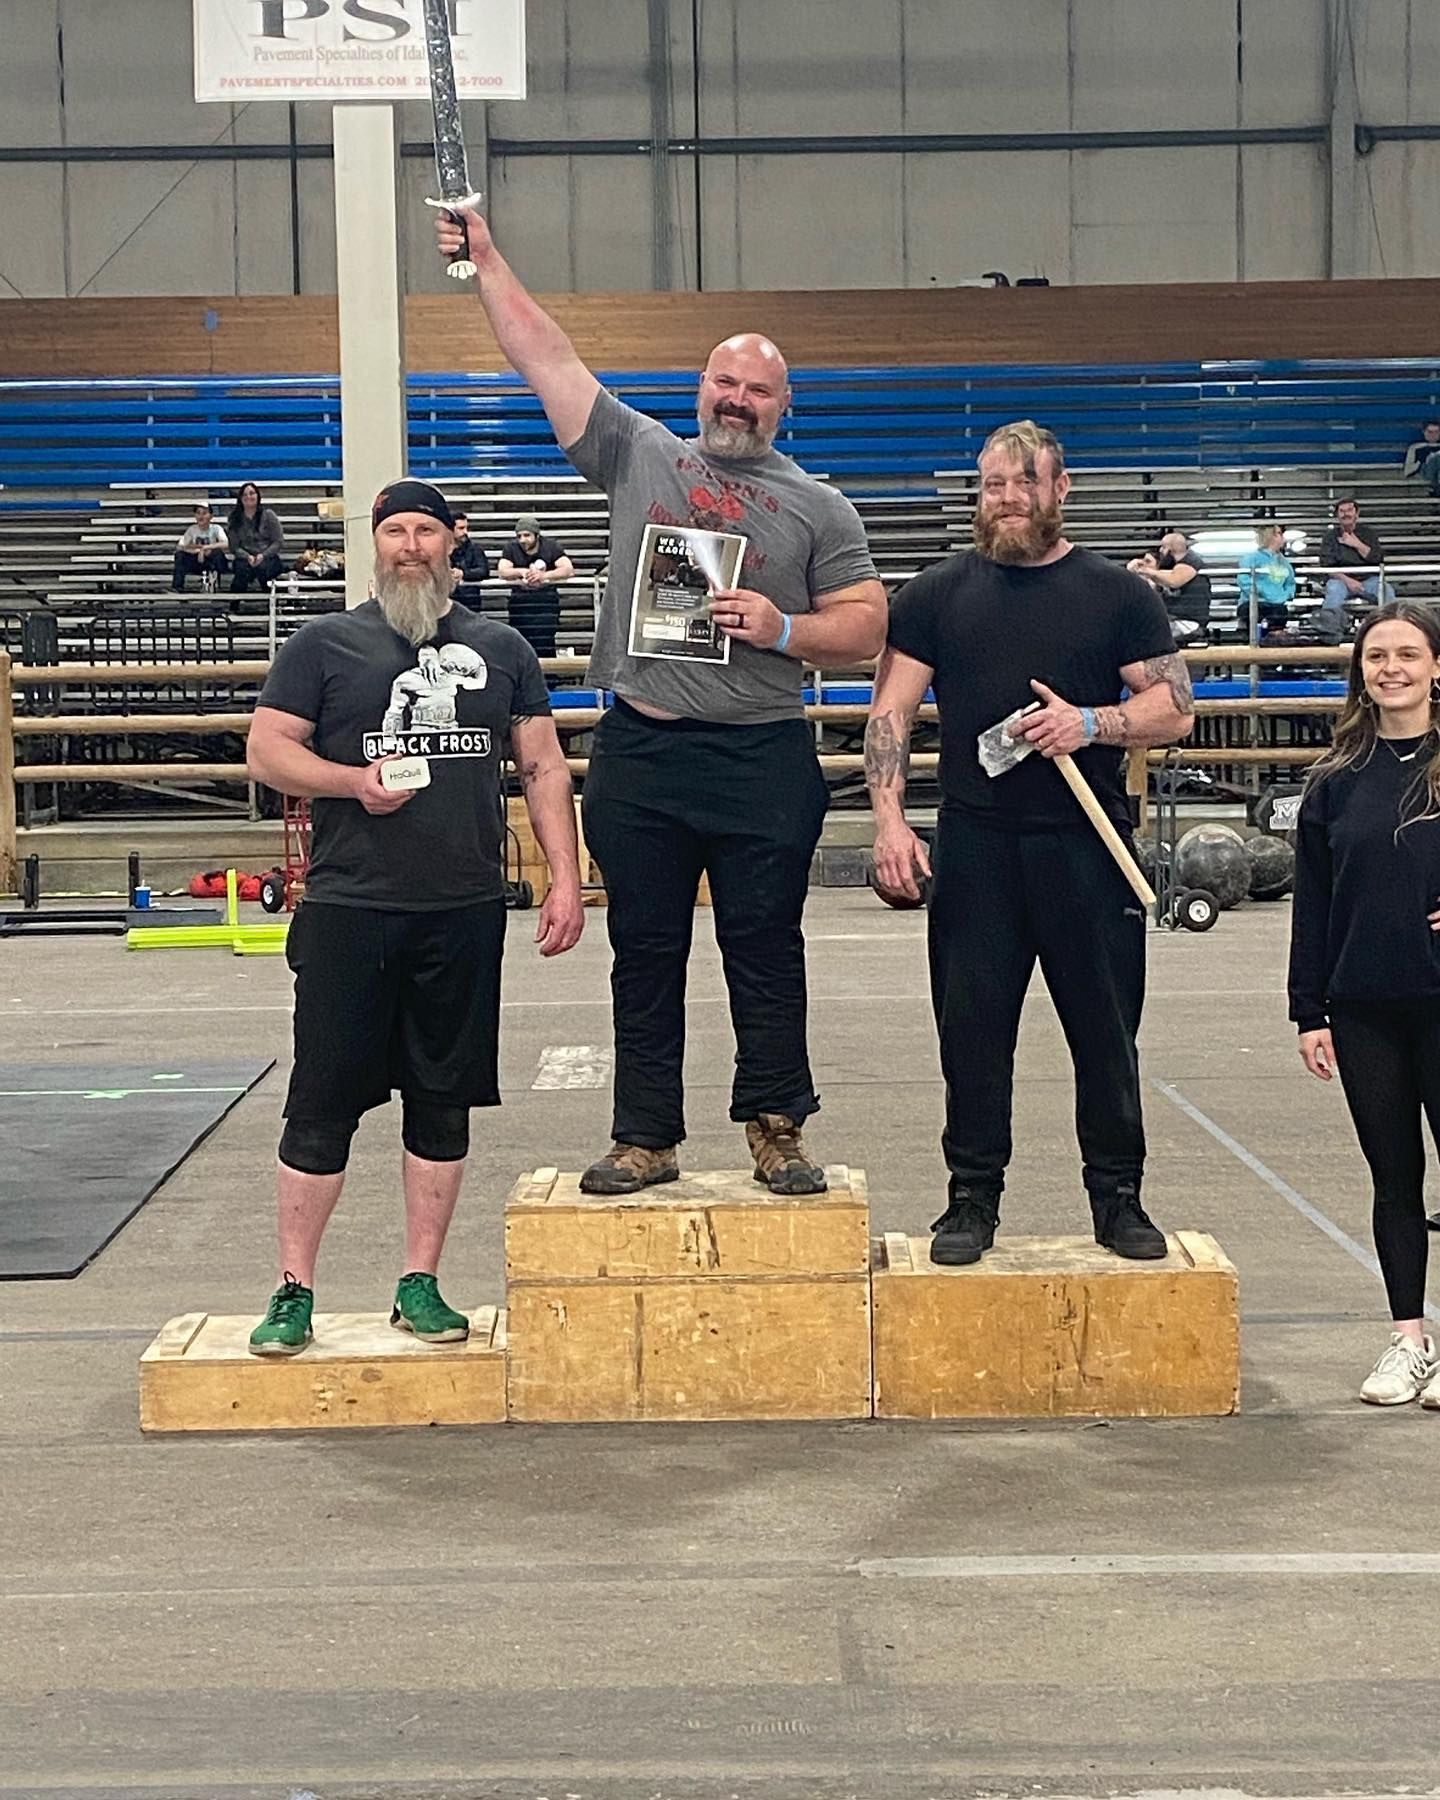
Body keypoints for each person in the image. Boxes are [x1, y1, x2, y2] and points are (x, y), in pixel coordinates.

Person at [437, 202, 887, 1198]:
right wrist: (491, 260)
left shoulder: (819, 506)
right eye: (724, 382)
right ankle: (646, 1136)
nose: (737, 400)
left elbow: (865, 624)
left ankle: (778, 1130)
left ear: (782, 407)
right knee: (644, 951)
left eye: (757, 390)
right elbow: (544, 357)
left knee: (765, 951)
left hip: (763, 756)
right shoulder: (639, 453)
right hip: (643, 749)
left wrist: (781, 631)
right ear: (701, 389)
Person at [243, 478, 584, 1356]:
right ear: (375, 543)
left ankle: (420, 1282)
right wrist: (352, 781)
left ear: (454, 542)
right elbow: (268, 750)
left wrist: (566, 878)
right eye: (394, 530)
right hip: (352, 910)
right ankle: (293, 1290)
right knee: (320, 1106)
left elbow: (544, 767)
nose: (409, 545)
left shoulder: (500, 647)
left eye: (425, 530)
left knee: (442, 1105)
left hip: (462, 912)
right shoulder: (324, 644)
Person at [866, 419, 1195, 1266]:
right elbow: (890, 715)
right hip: (976, 849)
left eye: (1022, 482)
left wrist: (1093, 722)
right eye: (991, 485)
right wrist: (892, 822)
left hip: (1088, 847)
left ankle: (1118, 1198)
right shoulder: (936, 593)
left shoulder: (1121, 596)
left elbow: (1175, 709)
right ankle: (970, 1198)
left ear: (1061, 488)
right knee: (972, 1034)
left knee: (1106, 1031)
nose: (1006, 500)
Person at [1288, 601, 1440, 1406]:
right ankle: (1407, 1342)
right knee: (1394, 1176)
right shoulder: (1334, 782)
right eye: (1377, 656)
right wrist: (1309, 1011)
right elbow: (1312, 904)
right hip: (1363, 1008)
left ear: (1435, 667)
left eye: (1408, 654)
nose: (1392, 668)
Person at [1317, 497, 1394, 645]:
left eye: (1349, 510)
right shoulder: (1330, 537)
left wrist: (1356, 544)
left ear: (1357, 514)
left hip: (1368, 580)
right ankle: (1329, 637)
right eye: (1342, 511)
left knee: (1386, 590)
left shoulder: (1368, 533)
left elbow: (1377, 559)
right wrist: (1348, 580)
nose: (1346, 514)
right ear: (1337, 515)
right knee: (1333, 589)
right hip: (1341, 580)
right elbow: (1326, 566)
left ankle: (1391, 632)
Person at [498, 514, 573, 658]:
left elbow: (568, 569)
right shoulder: (511, 548)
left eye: (527, 535)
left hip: (545, 603)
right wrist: (522, 571)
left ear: (537, 535)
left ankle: (548, 677)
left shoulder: (551, 546)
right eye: (519, 536)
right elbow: (502, 571)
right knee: (520, 643)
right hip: (521, 604)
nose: (522, 540)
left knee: (546, 643)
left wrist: (543, 576)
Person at [1127, 530, 1212, 644]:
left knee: (1145, 635)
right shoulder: (1173, 566)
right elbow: (1159, 581)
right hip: (1173, 620)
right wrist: (1138, 572)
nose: (1160, 551)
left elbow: (1174, 580)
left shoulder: (1191, 561)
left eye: (1163, 547)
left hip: (1188, 623)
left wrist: (1145, 570)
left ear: (1171, 549)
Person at [1235, 522, 1297, 639]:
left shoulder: (1284, 562)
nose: (1282, 537)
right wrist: (1261, 592)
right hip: (1254, 603)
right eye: (1278, 533)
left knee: (1280, 613)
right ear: (1270, 536)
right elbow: (1243, 580)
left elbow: (1290, 583)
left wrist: (1284, 595)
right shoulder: (1251, 558)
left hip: (1277, 605)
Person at [227, 481, 286, 595]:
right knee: (241, 571)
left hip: (267, 556)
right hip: (245, 557)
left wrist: (263, 555)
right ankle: (234, 606)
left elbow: (278, 541)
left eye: (252, 493)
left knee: (265, 569)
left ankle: (270, 604)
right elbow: (234, 546)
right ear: (240, 498)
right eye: (245, 494)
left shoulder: (269, 515)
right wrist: (247, 556)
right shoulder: (234, 518)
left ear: (258, 496)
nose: (248, 497)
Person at [171, 502, 229, 593]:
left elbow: (226, 543)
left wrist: (206, 548)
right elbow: (180, 546)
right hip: (197, 561)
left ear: (211, 516)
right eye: (198, 513)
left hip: (213, 561)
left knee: (216, 553)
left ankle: (214, 583)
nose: (201, 516)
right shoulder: (192, 529)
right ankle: (177, 587)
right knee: (180, 555)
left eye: (204, 513)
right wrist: (197, 550)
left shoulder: (216, 528)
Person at [449, 509, 492, 607]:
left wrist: (463, 573)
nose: (465, 532)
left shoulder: (475, 549)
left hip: (470, 601)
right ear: (450, 529)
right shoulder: (440, 549)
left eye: (466, 528)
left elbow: (483, 571)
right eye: (461, 528)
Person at [1401, 420, 1440, 496]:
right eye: (1430, 432)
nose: (1433, 435)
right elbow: (1407, 471)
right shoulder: (1415, 447)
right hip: (1425, 474)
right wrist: (1421, 461)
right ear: (1424, 432)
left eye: (1436, 432)